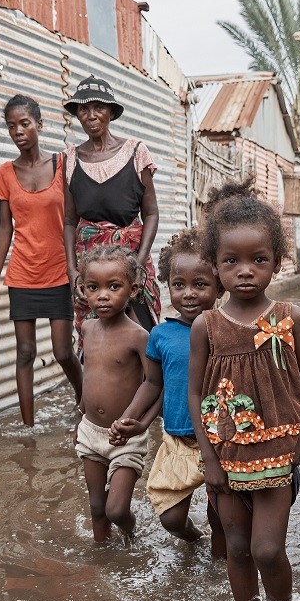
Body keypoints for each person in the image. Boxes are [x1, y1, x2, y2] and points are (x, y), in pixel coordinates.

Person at [187, 180, 300, 601]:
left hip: (279, 452)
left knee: (266, 550)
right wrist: (208, 458)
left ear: (276, 263)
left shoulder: (290, 317)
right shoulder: (206, 326)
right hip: (224, 454)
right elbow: (193, 390)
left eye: (258, 259)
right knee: (237, 549)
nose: (245, 270)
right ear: (214, 265)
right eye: (232, 261)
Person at [110, 229, 226, 558]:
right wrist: (131, 418)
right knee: (171, 518)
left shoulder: (226, 331)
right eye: (179, 285)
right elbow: (152, 384)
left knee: (222, 517)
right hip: (176, 438)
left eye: (200, 284)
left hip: (219, 441)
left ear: (219, 285)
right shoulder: (160, 335)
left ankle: (221, 573)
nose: (188, 294)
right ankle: (196, 542)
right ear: (167, 285)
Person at [0, 95, 83, 427]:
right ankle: (28, 427)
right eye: (11, 126)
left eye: (25, 123)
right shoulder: (5, 174)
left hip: (59, 273)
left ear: (39, 125)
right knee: (25, 353)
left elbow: (74, 218)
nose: (18, 131)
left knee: (62, 352)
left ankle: (85, 406)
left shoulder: (62, 165)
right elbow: (5, 227)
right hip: (22, 275)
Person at [61, 75, 162, 344]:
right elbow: (70, 220)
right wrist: (73, 271)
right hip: (90, 266)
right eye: (83, 109)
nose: (91, 115)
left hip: (130, 258)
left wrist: (138, 263)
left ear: (111, 112)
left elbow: (151, 213)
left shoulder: (135, 152)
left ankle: (150, 386)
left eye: (99, 107)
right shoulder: (70, 158)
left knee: (143, 333)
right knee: (97, 338)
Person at [74, 244, 152, 543]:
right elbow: (89, 376)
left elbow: (153, 384)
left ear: (132, 290)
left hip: (126, 437)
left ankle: (132, 538)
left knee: (117, 510)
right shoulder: (88, 329)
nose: (102, 295)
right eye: (93, 287)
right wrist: (79, 419)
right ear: (82, 290)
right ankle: (102, 555)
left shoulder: (139, 336)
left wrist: (134, 421)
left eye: (113, 286)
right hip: (91, 431)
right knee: (97, 507)